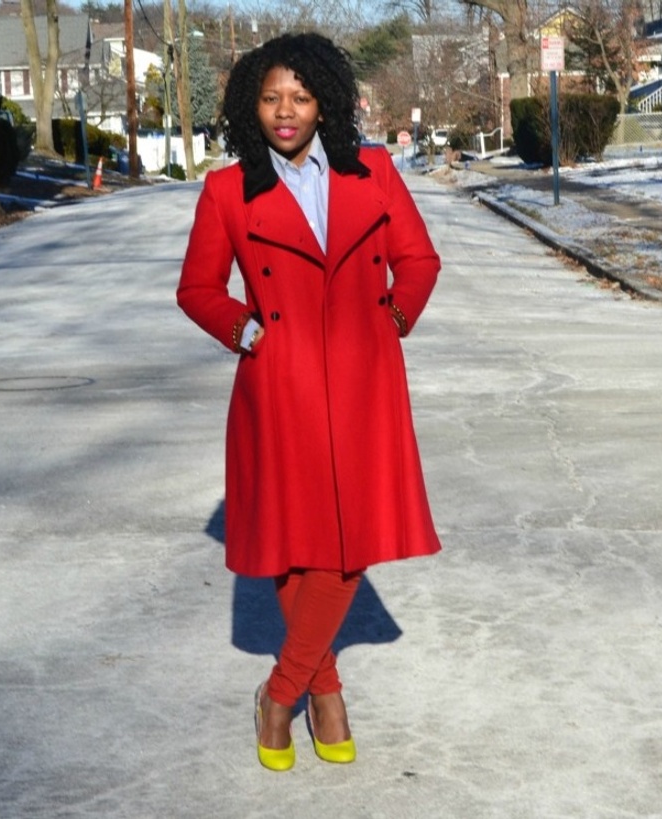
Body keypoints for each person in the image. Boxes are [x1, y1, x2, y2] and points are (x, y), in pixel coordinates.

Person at [176, 31, 441, 772]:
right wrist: (245, 330)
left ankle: (282, 691)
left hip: (364, 380)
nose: (285, 111)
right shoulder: (227, 191)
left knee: (348, 543)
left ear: (324, 101)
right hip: (279, 383)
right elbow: (197, 287)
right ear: (250, 107)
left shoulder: (374, 171)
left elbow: (419, 259)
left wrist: (392, 317)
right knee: (295, 548)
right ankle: (324, 694)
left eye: (299, 96)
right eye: (270, 98)